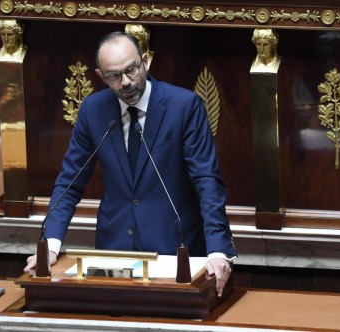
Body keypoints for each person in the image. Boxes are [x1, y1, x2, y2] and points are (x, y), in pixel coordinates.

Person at [24, 31, 237, 297]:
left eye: (132, 70)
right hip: (114, 252)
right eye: (114, 76)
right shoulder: (93, 110)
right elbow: (70, 182)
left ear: (145, 61)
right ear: (101, 76)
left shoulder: (184, 106)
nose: (126, 82)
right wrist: (51, 246)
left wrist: (218, 250)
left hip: (174, 250)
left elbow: (207, 181)